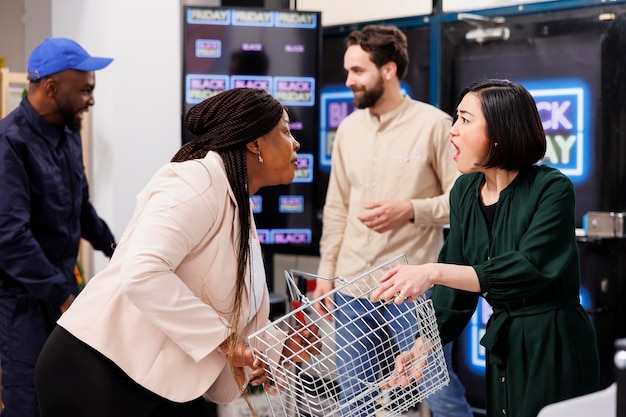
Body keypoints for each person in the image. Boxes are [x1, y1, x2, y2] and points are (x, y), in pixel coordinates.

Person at [34, 87, 320, 417]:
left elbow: (222, 307)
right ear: (255, 143)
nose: (295, 143)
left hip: (149, 378)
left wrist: (281, 346)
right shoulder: (197, 180)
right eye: (285, 131)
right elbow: (143, 272)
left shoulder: (236, 200)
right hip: (95, 368)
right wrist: (228, 343)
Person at [371, 79, 601, 417]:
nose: (453, 131)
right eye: (456, 118)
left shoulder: (552, 188)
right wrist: (425, 344)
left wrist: (432, 272)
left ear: (500, 130)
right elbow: (455, 292)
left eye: (465, 120)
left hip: (553, 342)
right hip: (504, 345)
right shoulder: (464, 190)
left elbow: (530, 267)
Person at [313, 25, 472, 417]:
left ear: (388, 70)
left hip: (413, 291)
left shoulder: (435, 125)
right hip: (353, 288)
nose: (348, 81)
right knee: (355, 403)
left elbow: (463, 201)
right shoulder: (348, 129)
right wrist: (326, 275)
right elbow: (337, 209)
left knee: (441, 394)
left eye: (357, 71)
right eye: (348, 71)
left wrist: (411, 209)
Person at [0, 37, 117, 417]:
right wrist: (65, 296)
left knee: (71, 397)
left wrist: (119, 251)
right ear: (51, 88)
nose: (91, 100)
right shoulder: (9, 144)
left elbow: (79, 208)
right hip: (25, 305)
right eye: (84, 90)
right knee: (29, 402)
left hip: (63, 294)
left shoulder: (67, 135)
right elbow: (11, 238)